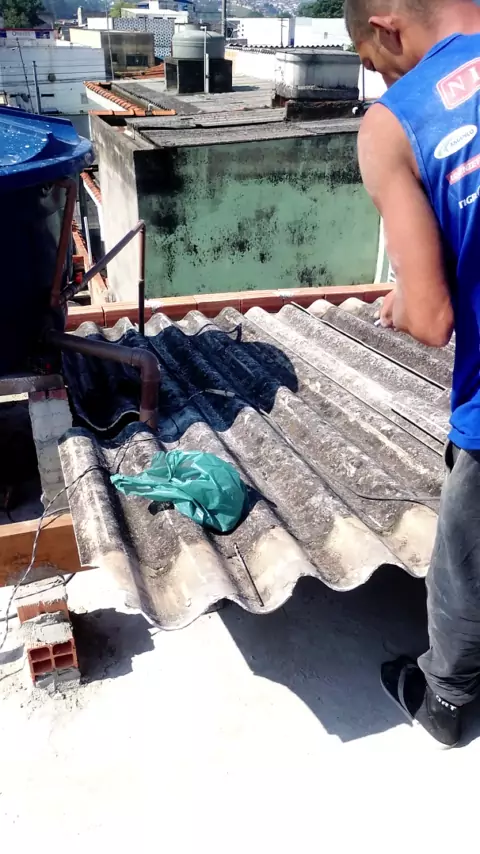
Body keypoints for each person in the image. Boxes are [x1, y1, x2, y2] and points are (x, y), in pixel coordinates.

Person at [344, 0, 480, 747]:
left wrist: (403, 301)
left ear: (387, 25)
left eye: (374, 64)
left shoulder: (396, 123)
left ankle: (449, 705)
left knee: (461, 561)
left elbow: (431, 320)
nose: (383, 81)